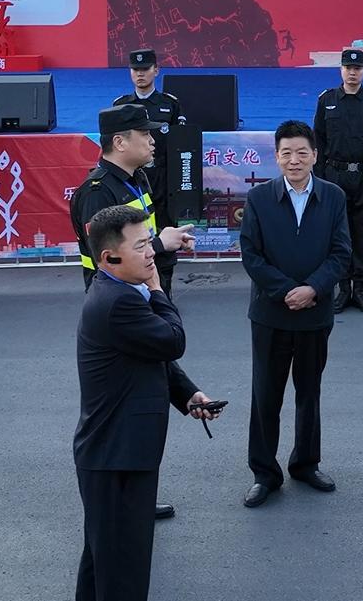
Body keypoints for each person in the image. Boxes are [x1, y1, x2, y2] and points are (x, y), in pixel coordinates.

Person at [74, 205, 220, 601]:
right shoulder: (120, 301)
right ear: (109, 258)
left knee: (103, 564)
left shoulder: (117, 289)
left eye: (150, 242)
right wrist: (158, 290)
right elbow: (172, 340)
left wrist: (187, 394)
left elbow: (151, 355)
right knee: (123, 571)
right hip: (117, 458)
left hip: (115, 454)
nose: (152, 252)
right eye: (141, 246)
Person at [238, 119, 350, 509]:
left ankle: (305, 463)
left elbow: (341, 253)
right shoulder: (259, 198)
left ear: (315, 155)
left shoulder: (333, 197)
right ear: (276, 156)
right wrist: (286, 291)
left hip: (314, 315)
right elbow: (251, 255)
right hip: (270, 315)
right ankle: (263, 473)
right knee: (265, 396)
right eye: (286, 153)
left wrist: (313, 289)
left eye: (302, 152)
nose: (294, 160)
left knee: (309, 393)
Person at [313, 47, 363, 314]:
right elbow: (317, 141)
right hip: (334, 176)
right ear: (341, 69)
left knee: (361, 234)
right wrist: (320, 180)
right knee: (338, 234)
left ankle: (360, 289)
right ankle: (342, 289)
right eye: (348, 68)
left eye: (357, 68)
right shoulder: (326, 100)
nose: (352, 73)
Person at [113, 49, 188, 294]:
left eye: (145, 69)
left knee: (164, 235)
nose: (140, 74)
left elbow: (181, 145)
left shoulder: (170, 104)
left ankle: (163, 294)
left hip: (162, 181)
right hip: (132, 181)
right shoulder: (120, 106)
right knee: (132, 234)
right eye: (135, 70)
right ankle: (135, 292)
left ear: (156, 70)